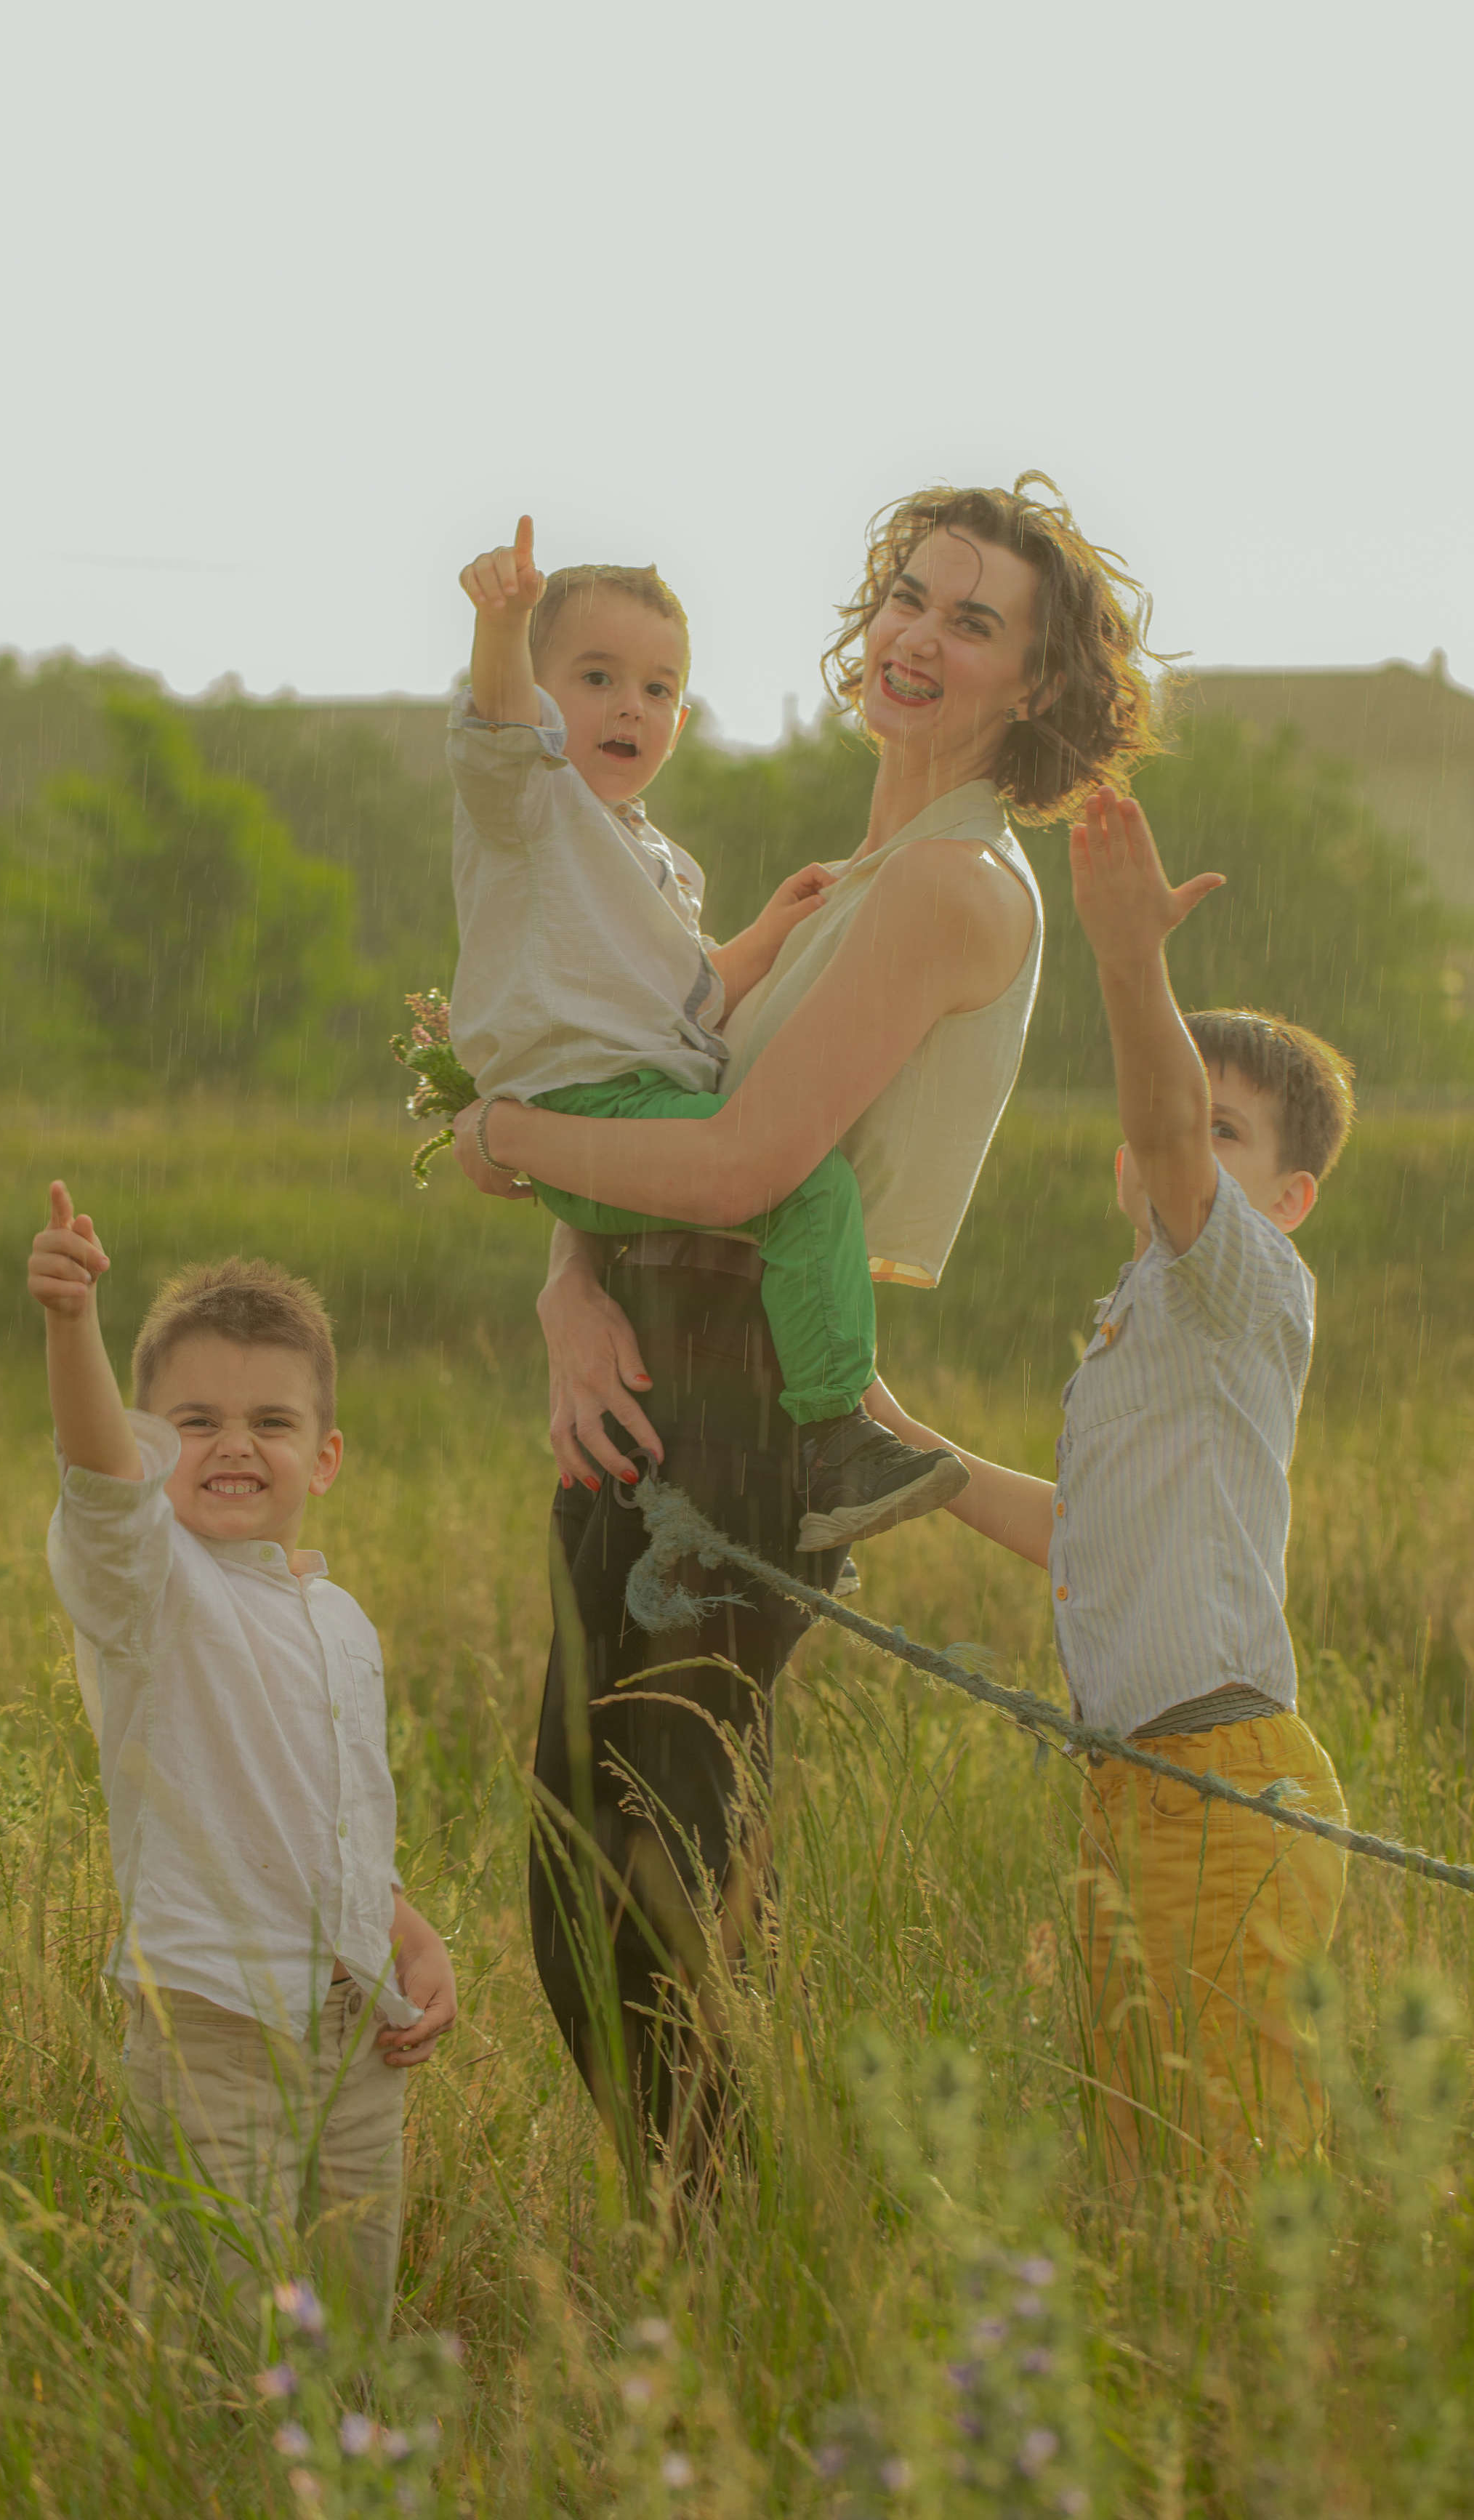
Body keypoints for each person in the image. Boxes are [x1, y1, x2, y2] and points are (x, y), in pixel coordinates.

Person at [448, 475, 1158, 2183]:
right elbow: (672, 1090)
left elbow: (752, 1164)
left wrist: (508, 1144)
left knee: (659, 1886)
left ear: (1033, 690)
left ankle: (729, 2263)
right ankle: (706, 2258)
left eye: (971, 622)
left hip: (751, 1405)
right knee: (574, 1870)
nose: (917, 635)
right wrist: (568, 1286)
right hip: (645, 1360)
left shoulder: (955, 887)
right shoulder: (860, 871)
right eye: (909, 594)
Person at [867, 786, 1358, 2193]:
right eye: (1173, 1124)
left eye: (1226, 1135)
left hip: (1223, 1780)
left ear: (1289, 1197)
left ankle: (1271, 2398)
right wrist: (911, 1445)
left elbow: (1160, 1121)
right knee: (1133, 2151)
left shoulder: (1243, 1287)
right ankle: (1188, 2390)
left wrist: (1132, 964)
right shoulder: (1138, 1321)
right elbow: (1087, 1535)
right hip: (1134, 1783)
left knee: (1233, 2162)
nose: (1182, 1149)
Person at [448, 517, 967, 1554]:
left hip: (625, 1100)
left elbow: (681, 1008)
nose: (629, 707)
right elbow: (503, 727)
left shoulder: (661, 864)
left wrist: (767, 938)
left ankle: (791, 1477)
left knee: (783, 1172)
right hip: (588, 1107)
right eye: (594, 678)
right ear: (547, 701)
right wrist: (501, 629)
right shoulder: (531, 805)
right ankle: (833, 1440)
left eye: (657, 687)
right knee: (803, 1184)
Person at [28, 1185, 458, 2330]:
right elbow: (104, 1488)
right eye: (193, 1421)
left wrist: (406, 1935)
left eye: (269, 1423)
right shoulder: (153, 1592)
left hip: (355, 2032)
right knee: (224, 2326)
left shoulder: (341, 1620)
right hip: (214, 2024)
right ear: (149, 1440)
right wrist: (74, 1330)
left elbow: (335, 1821)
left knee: (350, 2313)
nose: (231, 1445)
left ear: (322, 1459)